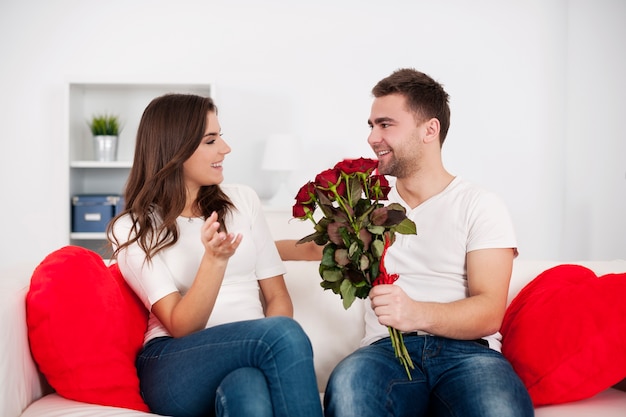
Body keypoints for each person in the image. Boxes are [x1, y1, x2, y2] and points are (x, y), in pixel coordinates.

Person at [319, 69, 534, 416]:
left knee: (497, 409)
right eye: (371, 125)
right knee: (348, 389)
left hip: (468, 355)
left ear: (429, 130)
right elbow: (316, 247)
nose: (373, 138)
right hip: (385, 352)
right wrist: (246, 244)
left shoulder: (479, 204)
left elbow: (490, 312)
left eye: (386, 124)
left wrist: (415, 312)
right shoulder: (366, 207)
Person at [107, 93, 323, 417]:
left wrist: (262, 349)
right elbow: (182, 326)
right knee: (282, 333)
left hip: (250, 354)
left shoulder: (243, 201)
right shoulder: (133, 228)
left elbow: (277, 296)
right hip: (174, 363)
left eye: (221, 136)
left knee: (248, 389)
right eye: (211, 140)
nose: (225, 148)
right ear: (175, 149)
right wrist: (214, 261)